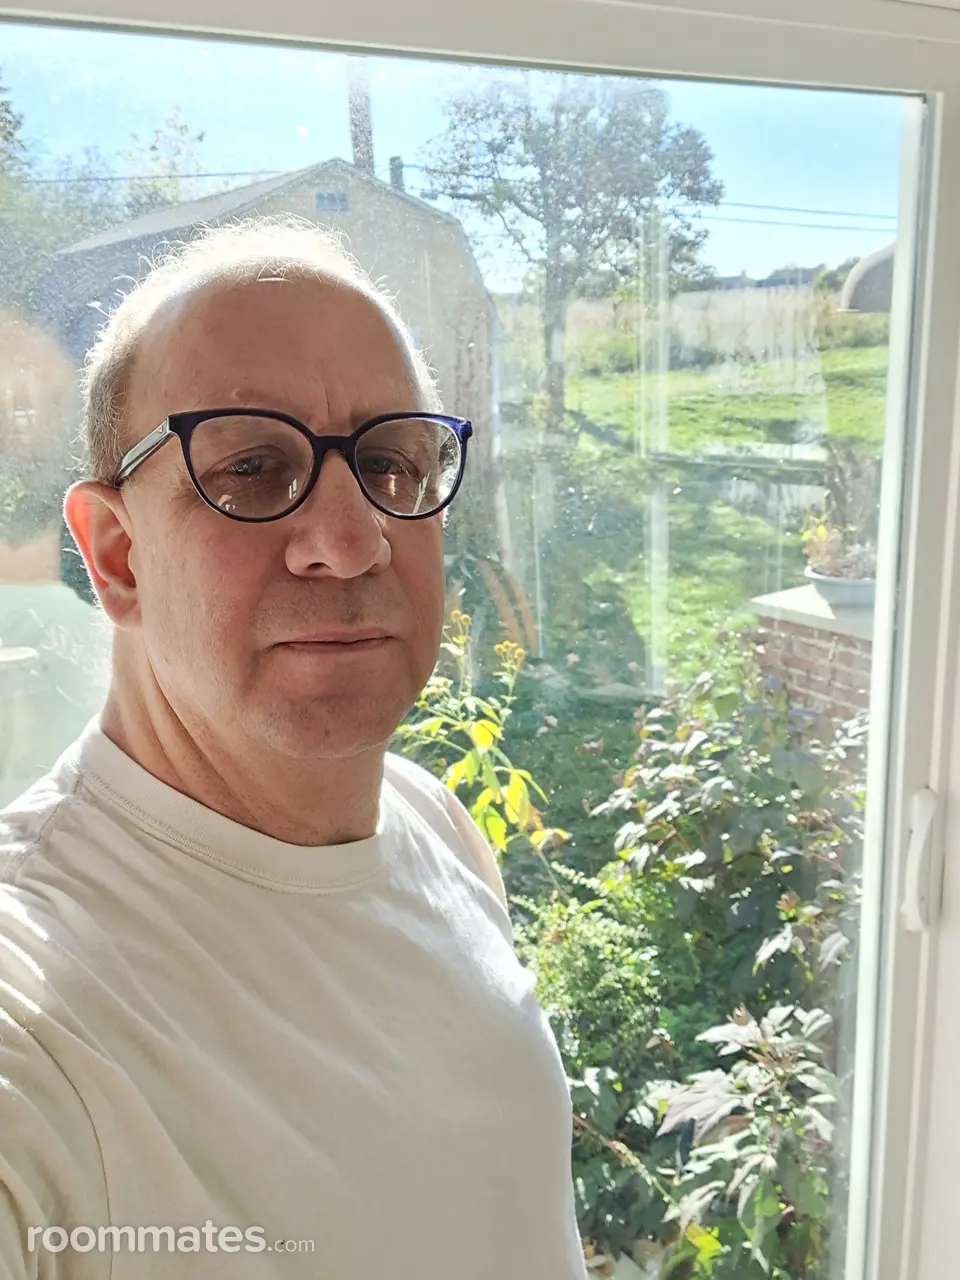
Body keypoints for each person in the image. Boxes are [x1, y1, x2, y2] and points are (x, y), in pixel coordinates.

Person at [0, 218, 586, 1278]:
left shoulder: (435, 825)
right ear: (118, 556)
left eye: (392, 462)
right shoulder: (35, 1017)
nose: (353, 541)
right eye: (254, 468)